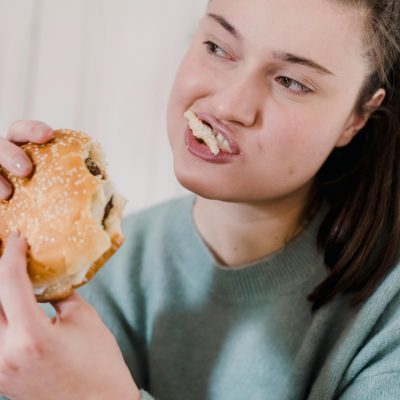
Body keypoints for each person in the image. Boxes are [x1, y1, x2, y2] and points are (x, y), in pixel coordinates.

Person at [0, 0, 399, 398]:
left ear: (356, 117)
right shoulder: (72, 271)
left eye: (291, 82)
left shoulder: (387, 312)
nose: (227, 105)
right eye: (218, 48)